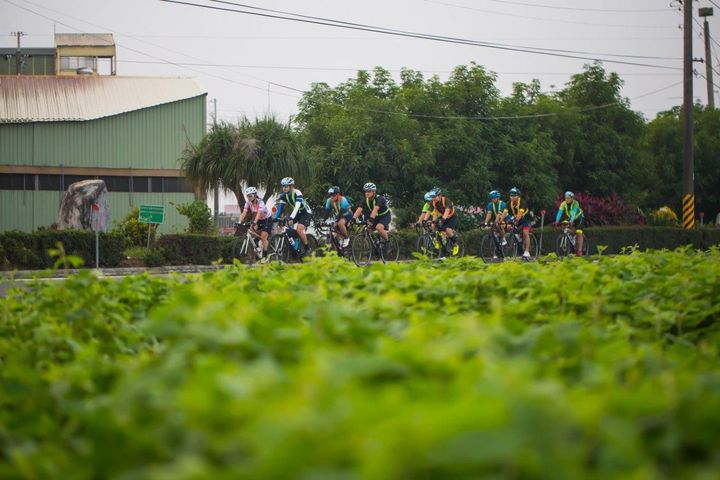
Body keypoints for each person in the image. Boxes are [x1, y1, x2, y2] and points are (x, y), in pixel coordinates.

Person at [274, 177, 313, 256]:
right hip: (297, 213)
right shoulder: (283, 196)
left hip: (305, 212)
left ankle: (307, 248)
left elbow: (297, 206)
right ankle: (295, 246)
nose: (284, 188)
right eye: (283, 186)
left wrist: (291, 217)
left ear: (291, 186)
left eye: (286, 186)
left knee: (299, 229)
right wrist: (275, 218)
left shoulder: (297, 192)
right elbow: (280, 208)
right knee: (286, 225)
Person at [238, 186, 271, 259]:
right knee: (251, 230)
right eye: (247, 196)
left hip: (267, 219)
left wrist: (255, 222)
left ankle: (265, 257)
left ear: (255, 195)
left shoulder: (261, 202)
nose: (249, 198)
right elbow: (244, 213)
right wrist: (239, 221)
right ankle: (259, 243)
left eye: (250, 196)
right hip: (259, 219)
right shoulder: (248, 203)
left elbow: (259, 213)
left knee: (263, 236)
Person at [554, 191, 585, 256]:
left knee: (579, 232)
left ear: (572, 199)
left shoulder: (576, 203)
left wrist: (571, 221)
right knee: (566, 227)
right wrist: (556, 221)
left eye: (568, 198)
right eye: (566, 198)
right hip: (571, 218)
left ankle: (579, 250)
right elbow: (559, 213)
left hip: (579, 218)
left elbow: (574, 213)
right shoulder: (563, 204)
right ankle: (573, 238)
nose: (567, 200)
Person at [429, 188, 459, 256]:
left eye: (434, 197)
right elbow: (435, 214)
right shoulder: (434, 203)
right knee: (433, 225)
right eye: (432, 197)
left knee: (448, 230)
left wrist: (442, 220)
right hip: (444, 216)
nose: (433, 198)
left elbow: (447, 211)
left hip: (452, 216)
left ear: (439, 196)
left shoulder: (446, 200)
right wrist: (433, 221)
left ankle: (455, 245)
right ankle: (436, 241)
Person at [506, 187, 533, 260]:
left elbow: (520, 214)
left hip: (526, 219)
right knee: (509, 227)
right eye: (511, 195)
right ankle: (519, 239)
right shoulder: (509, 203)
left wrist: (515, 221)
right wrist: (499, 221)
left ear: (518, 196)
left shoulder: (522, 203)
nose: (512, 197)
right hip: (518, 218)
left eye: (514, 195)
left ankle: (527, 251)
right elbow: (504, 213)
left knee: (525, 232)